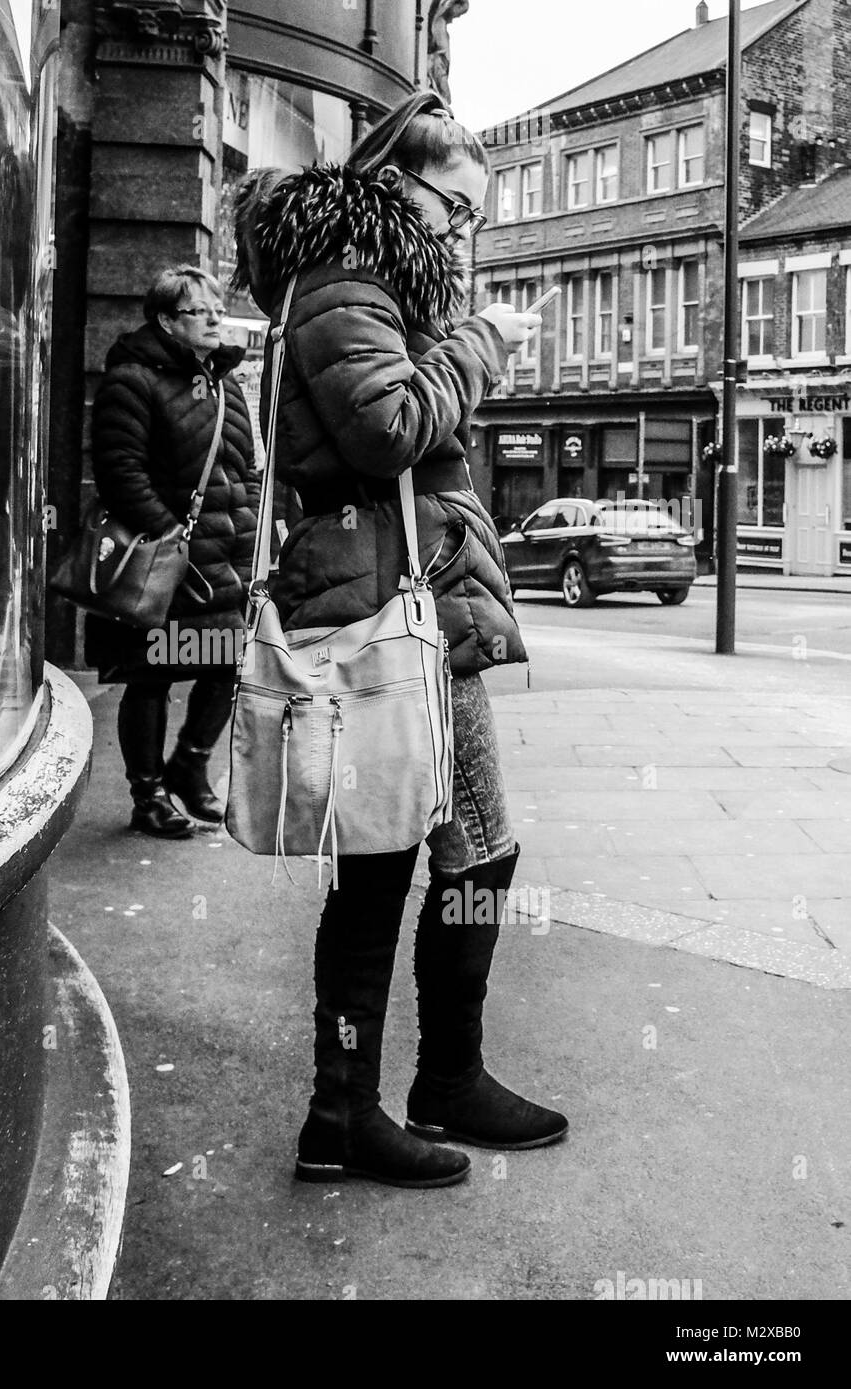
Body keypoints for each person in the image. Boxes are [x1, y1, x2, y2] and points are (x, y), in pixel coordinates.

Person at [232, 91, 567, 1188]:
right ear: (392, 185)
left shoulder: (364, 285)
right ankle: (411, 1092)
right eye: (449, 206)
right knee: (455, 851)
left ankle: (368, 1107)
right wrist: (479, 339)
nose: (459, 231)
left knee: (393, 862)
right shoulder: (344, 286)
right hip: (393, 617)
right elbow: (388, 431)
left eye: (473, 215)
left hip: (403, 605)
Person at [87, 265, 258, 838]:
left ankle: (189, 764)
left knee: (230, 663)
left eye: (217, 307)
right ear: (166, 320)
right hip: (166, 560)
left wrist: (255, 532)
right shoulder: (130, 381)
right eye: (198, 310)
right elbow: (120, 473)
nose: (214, 318)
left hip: (224, 561)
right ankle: (148, 796)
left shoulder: (225, 381)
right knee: (152, 675)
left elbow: (246, 469)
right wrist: (172, 541)